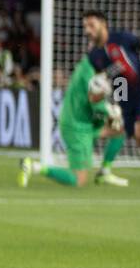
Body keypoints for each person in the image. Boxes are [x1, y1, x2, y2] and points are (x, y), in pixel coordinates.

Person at [81, 10, 140, 195]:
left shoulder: (121, 38)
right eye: (85, 27)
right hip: (124, 99)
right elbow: (108, 80)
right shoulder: (94, 56)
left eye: (91, 25)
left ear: (103, 24)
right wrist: (101, 95)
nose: (87, 30)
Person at [19, 59, 127, 188]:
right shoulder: (98, 104)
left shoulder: (87, 81)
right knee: (78, 180)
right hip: (77, 130)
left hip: (84, 127)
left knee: (118, 131)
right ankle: (33, 166)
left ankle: (104, 171)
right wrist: (114, 112)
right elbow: (105, 110)